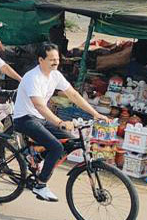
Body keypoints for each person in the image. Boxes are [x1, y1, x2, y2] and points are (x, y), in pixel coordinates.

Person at [11, 43, 107, 202]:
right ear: (41, 60)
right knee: (56, 146)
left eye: (57, 59)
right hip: (25, 118)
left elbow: (73, 95)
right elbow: (39, 105)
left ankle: (36, 156)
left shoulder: (55, 75)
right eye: (51, 59)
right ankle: (40, 185)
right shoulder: (32, 77)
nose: (55, 62)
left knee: (70, 141)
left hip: (41, 119)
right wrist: (59, 122)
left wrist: (95, 113)